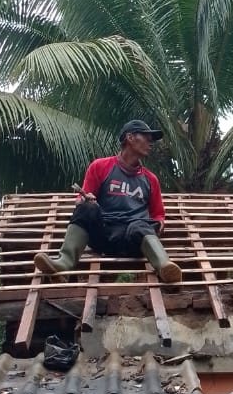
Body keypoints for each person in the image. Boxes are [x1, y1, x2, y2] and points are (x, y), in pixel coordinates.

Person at [34, 120, 183, 284]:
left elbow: (157, 213)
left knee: (140, 225)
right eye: (146, 137)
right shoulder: (100, 167)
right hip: (103, 237)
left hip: (133, 241)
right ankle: (64, 263)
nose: (151, 143)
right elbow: (80, 200)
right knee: (87, 207)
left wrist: (159, 223)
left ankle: (164, 267)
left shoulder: (150, 179)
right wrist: (85, 199)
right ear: (130, 137)